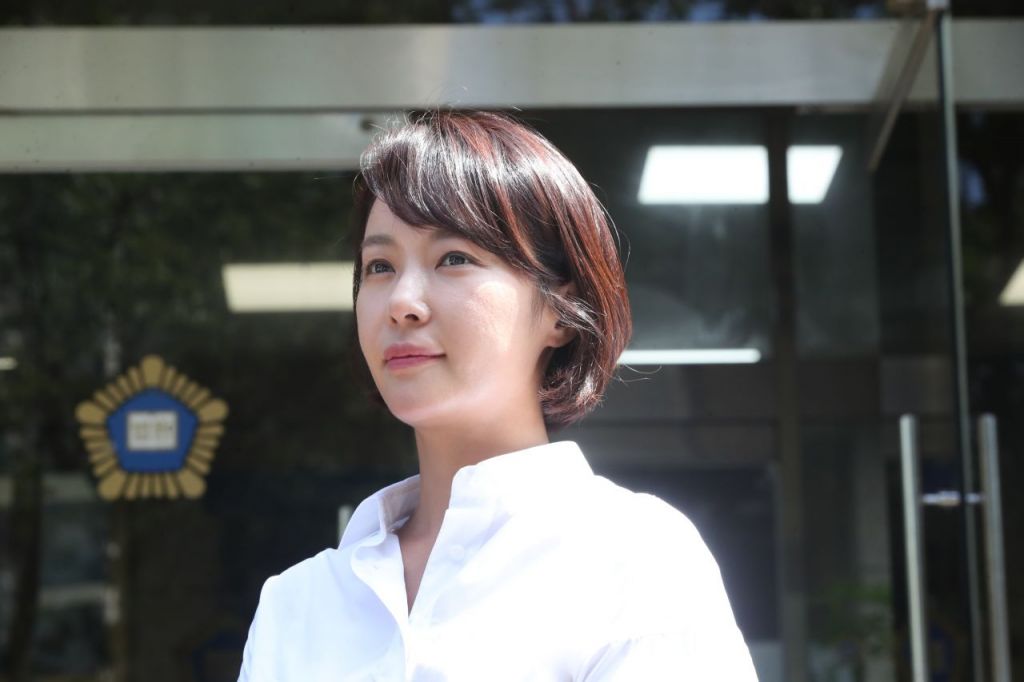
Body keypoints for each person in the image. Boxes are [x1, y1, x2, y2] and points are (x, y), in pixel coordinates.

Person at [237, 110, 758, 681]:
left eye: (454, 259)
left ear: (561, 309)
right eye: (380, 266)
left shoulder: (635, 558)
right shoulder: (297, 604)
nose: (401, 302)